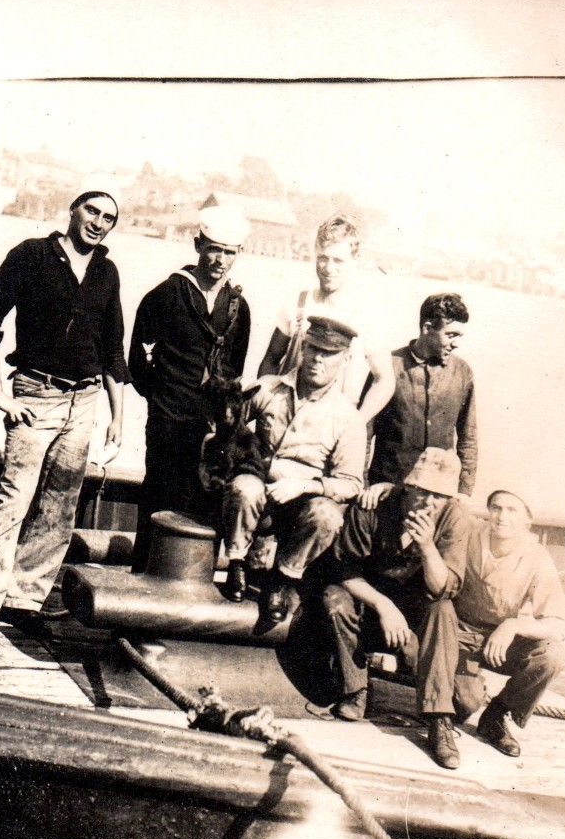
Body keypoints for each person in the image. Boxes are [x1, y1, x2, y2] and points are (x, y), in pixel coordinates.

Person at [0, 175, 131, 656]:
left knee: (58, 508)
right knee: (13, 503)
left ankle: (23, 602)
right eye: (92, 211)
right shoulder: (31, 255)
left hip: (85, 402)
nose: (99, 223)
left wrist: (118, 418)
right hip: (36, 395)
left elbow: (113, 346)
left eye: (109, 218)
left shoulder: (106, 272)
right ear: (72, 210)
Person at [127, 205, 253, 570]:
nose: (220, 260)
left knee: (203, 506)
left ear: (239, 254)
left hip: (211, 430)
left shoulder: (238, 307)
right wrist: (163, 399)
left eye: (229, 252)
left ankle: (187, 597)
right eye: (214, 248)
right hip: (169, 421)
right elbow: (137, 360)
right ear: (198, 244)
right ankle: (141, 592)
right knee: (157, 502)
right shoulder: (166, 294)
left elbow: (235, 367)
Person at [221, 315, 367, 623]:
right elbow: (227, 426)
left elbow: (351, 483)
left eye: (329, 354)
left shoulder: (348, 418)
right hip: (258, 489)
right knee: (243, 488)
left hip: (301, 506)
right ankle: (236, 563)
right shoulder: (268, 389)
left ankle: (284, 579)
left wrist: (305, 486)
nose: (318, 359)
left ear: (345, 359)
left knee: (327, 515)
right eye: (313, 349)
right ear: (302, 348)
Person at [415, 489, 565, 770]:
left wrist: (512, 625)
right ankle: (440, 721)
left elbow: (556, 624)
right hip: (453, 635)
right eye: (496, 508)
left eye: (512, 510)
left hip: (497, 641)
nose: (502, 517)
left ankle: (496, 715)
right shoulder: (469, 534)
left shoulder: (536, 556)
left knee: (552, 655)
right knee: (465, 705)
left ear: (528, 520)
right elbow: (428, 504)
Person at [320, 447, 475, 721]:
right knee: (335, 599)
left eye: (439, 496)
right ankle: (355, 689)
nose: (428, 502)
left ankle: (432, 708)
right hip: (367, 604)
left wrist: (427, 547)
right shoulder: (372, 507)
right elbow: (343, 569)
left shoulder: (455, 518)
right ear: (407, 487)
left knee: (465, 703)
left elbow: (443, 589)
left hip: (416, 616)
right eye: (422, 491)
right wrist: (383, 604)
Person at [255, 214, 395, 421]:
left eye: (338, 260)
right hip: (286, 418)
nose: (329, 269)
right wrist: (267, 405)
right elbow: (271, 360)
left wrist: (357, 422)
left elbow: (384, 380)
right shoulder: (297, 304)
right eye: (323, 258)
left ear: (355, 260)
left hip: (333, 425)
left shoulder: (366, 314)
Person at [361, 292, 478, 509]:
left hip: (436, 497)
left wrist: (464, 492)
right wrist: (363, 484)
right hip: (385, 492)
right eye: (451, 335)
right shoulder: (388, 367)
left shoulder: (462, 373)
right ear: (427, 328)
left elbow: (468, 438)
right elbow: (362, 432)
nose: (456, 344)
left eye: (460, 336)